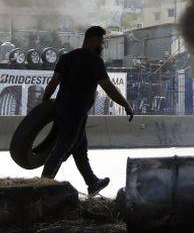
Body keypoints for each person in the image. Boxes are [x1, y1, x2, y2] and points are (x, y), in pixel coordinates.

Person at [40, 26, 135, 196]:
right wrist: (126, 104)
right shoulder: (94, 61)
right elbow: (108, 88)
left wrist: (43, 107)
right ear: (93, 39)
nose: (102, 45)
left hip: (61, 110)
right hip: (75, 113)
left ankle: (92, 182)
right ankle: (43, 187)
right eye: (101, 41)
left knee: (80, 150)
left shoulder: (67, 57)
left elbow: (53, 84)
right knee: (62, 148)